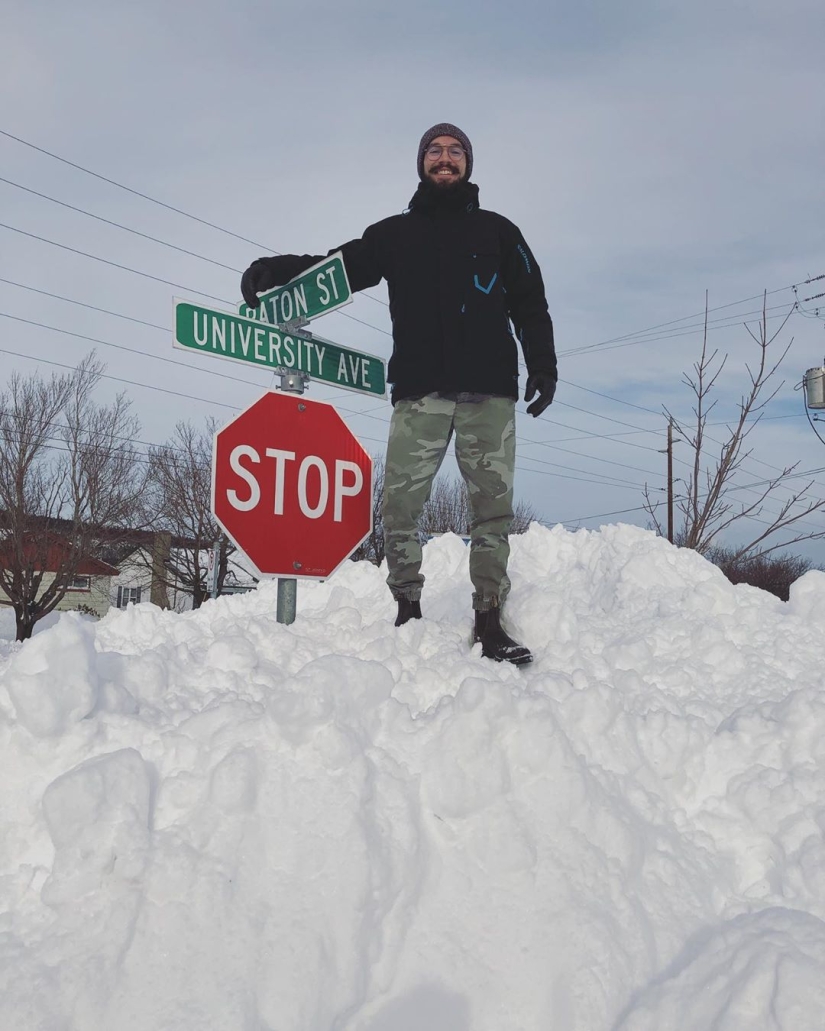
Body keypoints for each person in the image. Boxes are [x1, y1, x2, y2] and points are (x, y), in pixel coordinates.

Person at [241, 122, 557, 666]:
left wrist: (543, 364)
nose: (445, 158)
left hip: (490, 393)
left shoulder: (500, 232)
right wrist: (276, 270)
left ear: (468, 165)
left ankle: (488, 619)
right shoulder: (393, 235)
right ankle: (407, 608)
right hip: (419, 393)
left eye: (455, 151)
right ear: (421, 163)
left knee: (492, 511)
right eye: (435, 151)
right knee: (400, 507)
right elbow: (337, 270)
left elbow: (531, 301)